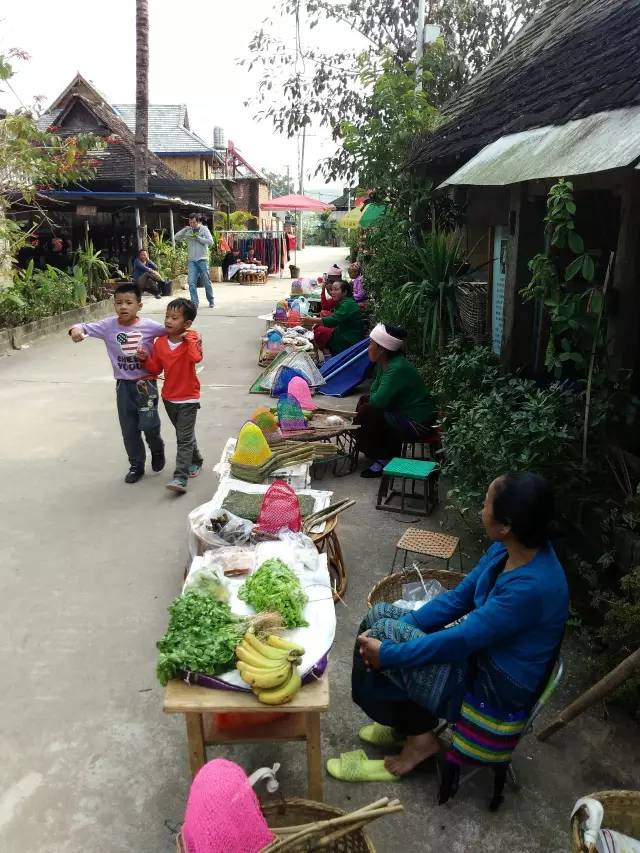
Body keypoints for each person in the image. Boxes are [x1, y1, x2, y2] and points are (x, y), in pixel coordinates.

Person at [326, 473, 568, 784]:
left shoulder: (533, 586)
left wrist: (388, 654)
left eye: (485, 503)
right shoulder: (507, 548)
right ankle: (409, 724)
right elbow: (459, 598)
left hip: (494, 686)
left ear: (506, 525)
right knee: (380, 619)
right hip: (478, 653)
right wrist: (401, 626)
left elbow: (461, 640)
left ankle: (418, 741)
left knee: (384, 645)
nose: (481, 509)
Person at [68, 283, 167, 483]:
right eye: (119, 303)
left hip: (146, 384)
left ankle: (157, 448)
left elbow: (173, 332)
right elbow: (81, 327)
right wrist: (75, 331)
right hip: (123, 386)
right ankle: (136, 465)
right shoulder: (108, 326)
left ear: (139, 305)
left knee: (149, 424)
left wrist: (189, 338)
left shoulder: (150, 327)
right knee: (129, 429)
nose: (123, 307)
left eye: (129, 303)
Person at [137, 298, 203, 495]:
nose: (168, 321)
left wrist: (190, 339)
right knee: (185, 434)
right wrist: (145, 359)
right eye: (167, 316)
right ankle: (196, 459)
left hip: (189, 398)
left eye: (174, 318)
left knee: (182, 438)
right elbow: (156, 368)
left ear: (187, 323)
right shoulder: (160, 343)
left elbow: (196, 358)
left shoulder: (192, 340)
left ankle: (180, 477)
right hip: (169, 397)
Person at [355, 324, 436, 478]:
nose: (369, 348)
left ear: (382, 349)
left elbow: (378, 400)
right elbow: (374, 392)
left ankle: (384, 458)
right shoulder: (385, 364)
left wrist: (373, 397)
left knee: (369, 411)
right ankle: (373, 449)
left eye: (371, 344)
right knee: (364, 401)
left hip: (417, 422)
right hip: (401, 412)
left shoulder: (397, 368)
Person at [312, 280, 366, 357]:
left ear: (344, 292)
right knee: (320, 325)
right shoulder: (344, 301)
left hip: (348, 339)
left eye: (336, 290)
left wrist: (311, 320)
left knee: (320, 331)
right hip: (344, 331)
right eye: (331, 290)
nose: (332, 292)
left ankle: (328, 357)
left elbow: (334, 321)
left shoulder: (348, 304)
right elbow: (326, 307)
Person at [175, 212, 214, 308]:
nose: (192, 224)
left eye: (193, 222)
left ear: (198, 221)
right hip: (192, 260)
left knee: (206, 282)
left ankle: (211, 300)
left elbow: (210, 242)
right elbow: (176, 237)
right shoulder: (188, 231)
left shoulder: (204, 229)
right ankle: (195, 303)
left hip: (203, 259)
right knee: (191, 283)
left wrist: (198, 238)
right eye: (190, 222)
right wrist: (184, 229)